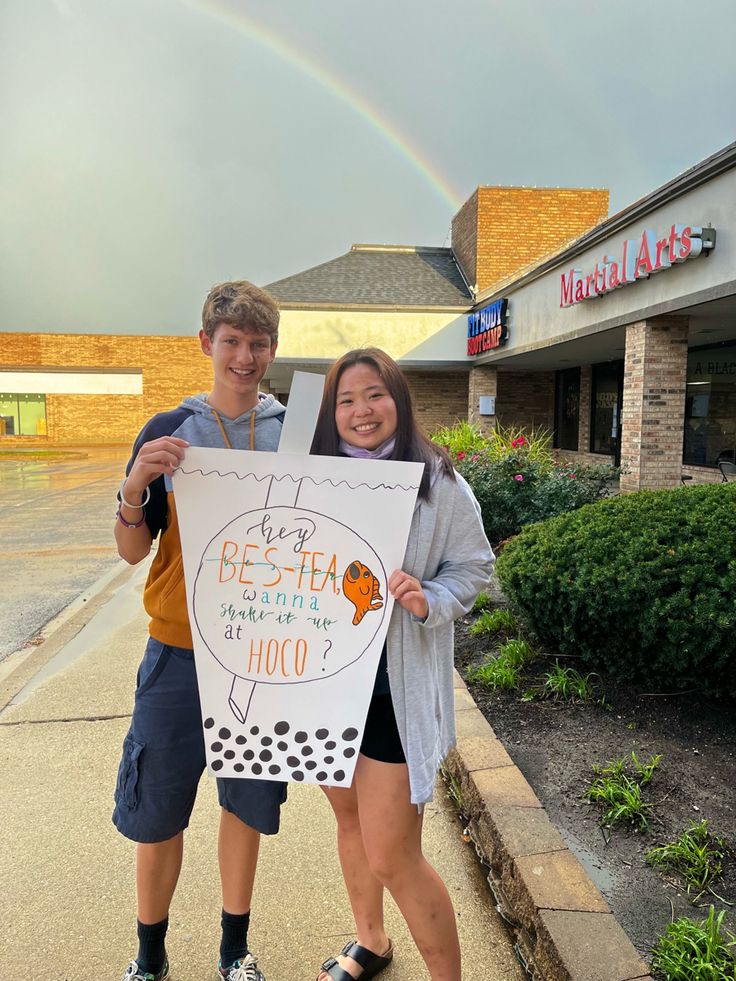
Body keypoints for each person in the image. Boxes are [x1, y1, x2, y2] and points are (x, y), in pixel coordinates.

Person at [113, 281, 287, 981]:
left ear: (271, 349)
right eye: (232, 341)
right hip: (178, 649)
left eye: (258, 343)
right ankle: (149, 956)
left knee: (245, 805)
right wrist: (132, 489)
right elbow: (132, 550)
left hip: (258, 655)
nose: (245, 356)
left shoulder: (293, 432)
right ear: (206, 342)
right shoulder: (167, 429)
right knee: (157, 811)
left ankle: (233, 949)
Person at [310, 349, 495, 981]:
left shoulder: (436, 481)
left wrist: (428, 598)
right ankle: (370, 941)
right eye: (345, 400)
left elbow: (476, 568)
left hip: (393, 693)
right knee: (348, 818)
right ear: (330, 414)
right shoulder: (314, 478)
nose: (361, 411)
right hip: (330, 686)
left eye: (375, 395)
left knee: (394, 855)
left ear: (399, 400)